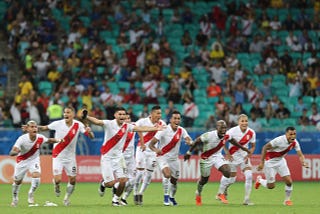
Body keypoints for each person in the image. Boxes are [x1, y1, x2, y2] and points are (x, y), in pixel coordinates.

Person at [82, 107, 165, 206]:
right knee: (111, 183)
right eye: (119, 114)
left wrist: (155, 128)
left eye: (123, 114)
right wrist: (87, 117)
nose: (122, 116)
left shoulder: (127, 126)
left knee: (123, 180)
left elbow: (140, 129)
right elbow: (97, 121)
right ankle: (103, 184)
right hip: (107, 157)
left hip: (119, 157)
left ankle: (116, 200)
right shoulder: (109, 124)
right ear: (115, 115)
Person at [184, 120, 251, 206]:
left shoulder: (226, 135)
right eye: (221, 127)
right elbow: (197, 141)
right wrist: (189, 152)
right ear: (217, 128)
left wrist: (243, 148)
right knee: (204, 180)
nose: (223, 129)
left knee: (227, 171)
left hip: (217, 156)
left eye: (225, 128)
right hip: (206, 158)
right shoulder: (209, 135)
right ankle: (198, 193)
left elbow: (232, 140)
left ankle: (221, 193)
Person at [37, 106, 94, 206]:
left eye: (68, 112)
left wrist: (89, 132)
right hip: (58, 155)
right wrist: (33, 127)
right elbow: (44, 127)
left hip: (70, 158)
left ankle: (66, 198)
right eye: (65, 113)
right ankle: (56, 185)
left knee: (72, 180)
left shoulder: (78, 125)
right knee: (58, 179)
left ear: (73, 114)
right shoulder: (58, 123)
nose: (66, 114)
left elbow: (91, 137)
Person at [9, 120, 63, 207]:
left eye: (35, 127)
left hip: (34, 160)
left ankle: (31, 193)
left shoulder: (40, 137)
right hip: (22, 161)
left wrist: (59, 140)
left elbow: (49, 140)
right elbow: (12, 152)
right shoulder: (22, 139)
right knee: (17, 182)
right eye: (32, 127)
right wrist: (15, 152)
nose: (35, 128)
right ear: (28, 129)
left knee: (37, 175)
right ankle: (15, 198)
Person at [255, 126, 309, 206]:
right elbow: (265, 147)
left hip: (281, 161)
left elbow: (300, 155)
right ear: (286, 134)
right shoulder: (279, 140)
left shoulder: (295, 142)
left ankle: (287, 200)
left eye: (294, 134)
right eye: (291, 134)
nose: (293, 136)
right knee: (271, 186)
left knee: (289, 182)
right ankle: (260, 180)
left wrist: (303, 162)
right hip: (269, 162)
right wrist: (262, 162)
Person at [149, 111, 193, 206]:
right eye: (175, 118)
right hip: (162, 157)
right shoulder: (163, 130)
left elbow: (188, 139)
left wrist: (189, 142)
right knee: (167, 174)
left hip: (174, 159)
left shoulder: (182, 130)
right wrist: (156, 150)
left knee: (174, 180)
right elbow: (151, 144)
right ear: (170, 120)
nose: (177, 120)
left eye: (178, 118)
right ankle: (165, 197)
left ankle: (172, 197)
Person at [216, 114, 256, 205]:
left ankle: (246, 199)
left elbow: (253, 146)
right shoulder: (232, 131)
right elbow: (223, 142)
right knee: (231, 179)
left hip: (244, 158)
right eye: (242, 121)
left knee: (249, 176)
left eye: (246, 121)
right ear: (238, 122)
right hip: (232, 157)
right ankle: (221, 192)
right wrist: (227, 153)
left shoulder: (251, 132)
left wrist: (249, 155)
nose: (244, 123)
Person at [133, 105, 166, 205]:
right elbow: (136, 128)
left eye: (160, 113)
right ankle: (134, 192)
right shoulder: (142, 121)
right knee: (139, 173)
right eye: (157, 113)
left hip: (152, 152)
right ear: (151, 114)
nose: (159, 115)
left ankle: (140, 194)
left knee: (149, 175)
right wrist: (142, 143)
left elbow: (164, 136)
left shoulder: (162, 123)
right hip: (141, 149)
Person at [118, 113, 137, 205]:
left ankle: (124, 199)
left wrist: (141, 141)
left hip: (131, 158)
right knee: (123, 181)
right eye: (125, 119)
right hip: (121, 157)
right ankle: (115, 196)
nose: (127, 120)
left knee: (133, 180)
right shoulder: (119, 129)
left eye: (129, 118)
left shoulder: (134, 127)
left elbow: (142, 129)